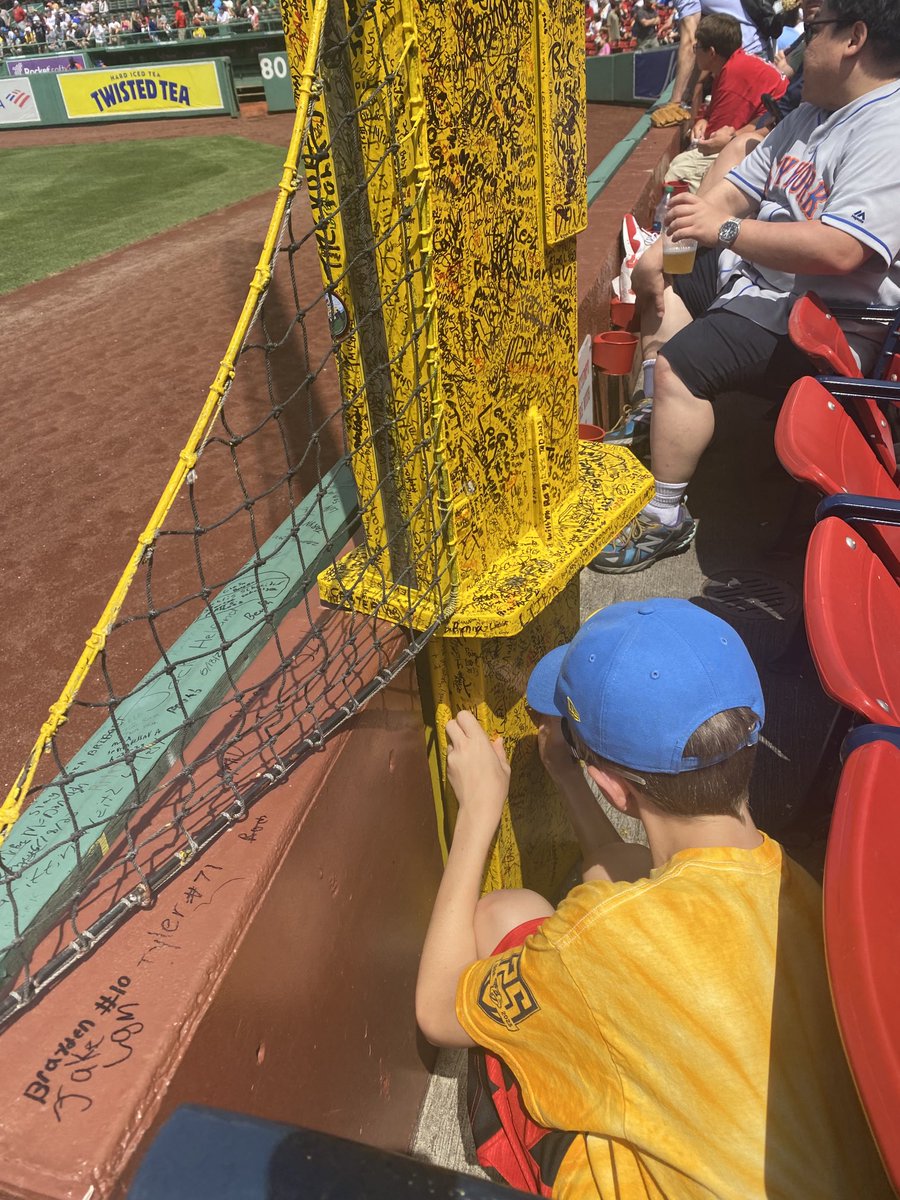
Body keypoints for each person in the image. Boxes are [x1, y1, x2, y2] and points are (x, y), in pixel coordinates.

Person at [415, 599, 893, 1199]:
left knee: (504, 914)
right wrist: (570, 776)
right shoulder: (798, 883)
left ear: (613, 787)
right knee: (620, 875)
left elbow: (437, 1011)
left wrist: (478, 814)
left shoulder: (589, 944)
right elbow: (624, 871)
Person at [592, 0, 900, 573]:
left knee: (682, 365)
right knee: (666, 276)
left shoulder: (888, 128)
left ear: (854, 38)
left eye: (813, 29)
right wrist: (671, 244)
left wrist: (725, 230)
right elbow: (738, 187)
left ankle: (665, 514)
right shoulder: (815, 112)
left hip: (824, 321)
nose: (800, 47)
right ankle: (663, 413)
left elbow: (843, 250)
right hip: (765, 283)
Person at [667, 13, 787, 190]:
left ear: (711, 52)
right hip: (767, 131)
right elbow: (716, 121)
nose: (694, 50)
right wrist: (704, 120)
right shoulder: (732, 63)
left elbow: (716, 141)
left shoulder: (734, 73)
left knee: (680, 169)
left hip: (774, 143)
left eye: (697, 46)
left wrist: (700, 136)